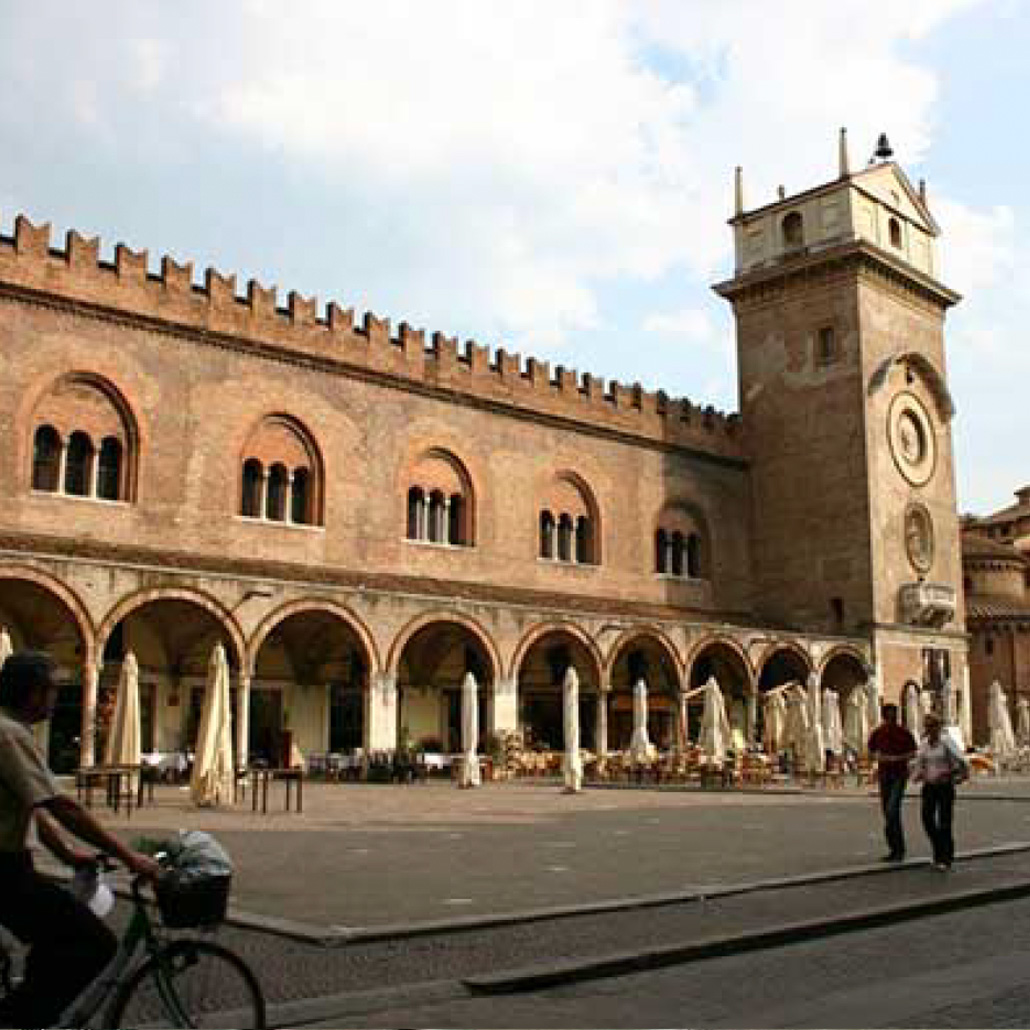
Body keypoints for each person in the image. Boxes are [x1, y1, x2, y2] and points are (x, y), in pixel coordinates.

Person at [0, 651, 161, 1028]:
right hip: (4, 871)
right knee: (94, 944)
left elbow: (36, 812)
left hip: (12, 865)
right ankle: (19, 1020)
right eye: (52, 689)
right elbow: (63, 808)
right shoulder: (10, 735)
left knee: (53, 939)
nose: (56, 698)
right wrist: (128, 856)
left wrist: (70, 857)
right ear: (33, 694)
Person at [911, 712, 969, 870]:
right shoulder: (924, 744)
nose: (930, 729)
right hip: (929, 786)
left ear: (939, 727)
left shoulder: (947, 742)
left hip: (944, 786)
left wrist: (950, 774)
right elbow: (920, 763)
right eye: (927, 726)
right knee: (927, 819)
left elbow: (961, 761)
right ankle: (939, 849)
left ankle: (945, 857)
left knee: (944, 822)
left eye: (933, 726)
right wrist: (917, 774)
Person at [867, 702, 917, 862]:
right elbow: (871, 751)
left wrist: (898, 758)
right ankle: (895, 848)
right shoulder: (878, 733)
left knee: (892, 810)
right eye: (889, 715)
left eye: (893, 715)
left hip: (899, 775)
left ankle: (898, 849)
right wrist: (879, 757)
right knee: (888, 813)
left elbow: (913, 752)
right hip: (884, 775)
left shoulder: (904, 732)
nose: (891, 718)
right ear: (884, 716)